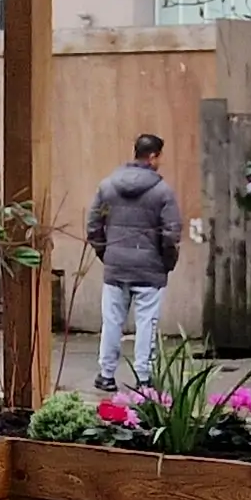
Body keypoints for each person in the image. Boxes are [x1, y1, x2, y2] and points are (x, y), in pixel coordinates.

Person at [84, 131, 186, 396]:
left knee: (112, 322)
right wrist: (165, 263)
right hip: (149, 270)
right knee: (146, 324)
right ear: (153, 156)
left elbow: (93, 227)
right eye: (160, 156)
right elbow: (171, 234)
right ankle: (143, 378)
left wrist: (107, 255)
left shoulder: (107, 186)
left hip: (116, 267)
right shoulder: (162, 191)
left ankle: (106, 375)